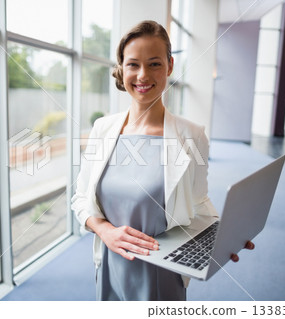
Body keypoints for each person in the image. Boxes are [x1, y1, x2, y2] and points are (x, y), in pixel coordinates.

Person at [71, 20, 253, 301]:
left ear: (169, 66)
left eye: (154, 64)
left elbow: (199, 202)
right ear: (122, 67)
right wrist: (104, 230)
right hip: (109, 265)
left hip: (163, 272)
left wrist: (226, 236)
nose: (143, 75)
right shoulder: (102, 129)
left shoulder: (192, 135)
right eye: (133, 64)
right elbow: (81, 198)